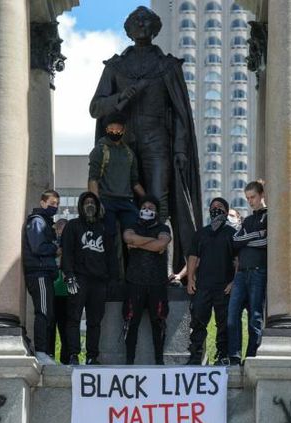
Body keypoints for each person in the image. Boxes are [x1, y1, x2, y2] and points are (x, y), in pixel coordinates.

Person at [90, 6, 202, 275]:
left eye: (146, 20)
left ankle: (162, 267)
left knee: (159, 202)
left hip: (158, 143)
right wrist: (121, 97)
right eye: (135, 21)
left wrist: (180, 149)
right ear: (128, 29)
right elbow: (96, 108)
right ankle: (127, 267)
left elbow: (180, 114)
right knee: (126, 202)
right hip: (123, 146)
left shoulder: (167, 66)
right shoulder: (115, 67)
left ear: (155, 28)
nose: (141, 24)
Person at [62, 192, 116, 365]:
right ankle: (73, 355)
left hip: (99, 282)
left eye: (93, 202)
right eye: (86, 202)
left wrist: (112, 280)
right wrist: (69, 275)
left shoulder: (104, 228)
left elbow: (111, 257)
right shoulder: (73, 226)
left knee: (95, 321)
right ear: (81, 206)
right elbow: (67, 253)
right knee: (73, 318)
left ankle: (92, 356)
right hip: (79, 278)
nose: (90, 205)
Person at [186, 198, 237, 365]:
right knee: (198, 321)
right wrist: (190, 279)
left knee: (223, 324)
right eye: (213, 207)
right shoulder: (201, 233)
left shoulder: (232, 233)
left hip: (224, 287)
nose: (216, 209)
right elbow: (193, 257)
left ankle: (222, 356)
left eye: (220, 207)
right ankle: (195, 357)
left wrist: (234, 282)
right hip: (203, 286)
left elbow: (238, 260)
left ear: (226, 210)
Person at [122, 195, 172, 364]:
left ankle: (159, 362)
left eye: (151, 207)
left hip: (157, 283)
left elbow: (161, 244)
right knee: (131, 322)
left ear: (156, 211)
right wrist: (153, 242)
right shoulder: (131, 226)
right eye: (144, 206)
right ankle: (129, 362)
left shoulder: (164, 227)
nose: (147, 209)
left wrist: (138, 244)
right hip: (134, 282)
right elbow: (128, 238)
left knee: (158, 323)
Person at [88, 112, 145, 256]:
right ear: (106, 129)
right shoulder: (100, 150)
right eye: (111, 129)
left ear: (123, 130)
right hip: (106, 201)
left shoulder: (129, 153)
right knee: (109, 238)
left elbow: (135, 182)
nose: (115, 132)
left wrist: (147, 200)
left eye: (118, 129)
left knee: (135, 232)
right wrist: (96, 202)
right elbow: (93, 179)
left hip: (126, 201)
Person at [227, 181, 267, 365]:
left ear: (262, 195)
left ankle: (251, 356)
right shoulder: (249, 220)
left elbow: (266, 243)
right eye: (248, 198)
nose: (250, 201)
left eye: (253, 197)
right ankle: (234, 356)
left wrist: (247, 240)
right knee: (232, 315)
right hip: (241, 274)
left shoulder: (268, 216)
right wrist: (256, 235)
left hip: (258, 272)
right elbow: (235, 241)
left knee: (255, 317)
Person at [22, 190, 60, 365]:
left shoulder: (44, 221)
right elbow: (37, 247)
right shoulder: (38, 221)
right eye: (52, 203)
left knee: (48, 313)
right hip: (39, 273)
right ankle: (42, 352)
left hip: (43, 273)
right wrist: (55, 248)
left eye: (57, 204)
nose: (55, 207)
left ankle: (45, 352)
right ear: (42, 203)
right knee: (44, 313)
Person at [48, 218, 70, 364]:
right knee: (49, 328)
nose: (60, 234)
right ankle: (49, 357)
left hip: (67, 294)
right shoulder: (51, 244)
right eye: (58, 230)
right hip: (51, 292)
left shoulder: (72, 244)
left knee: (66, 330)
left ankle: (66, 360)